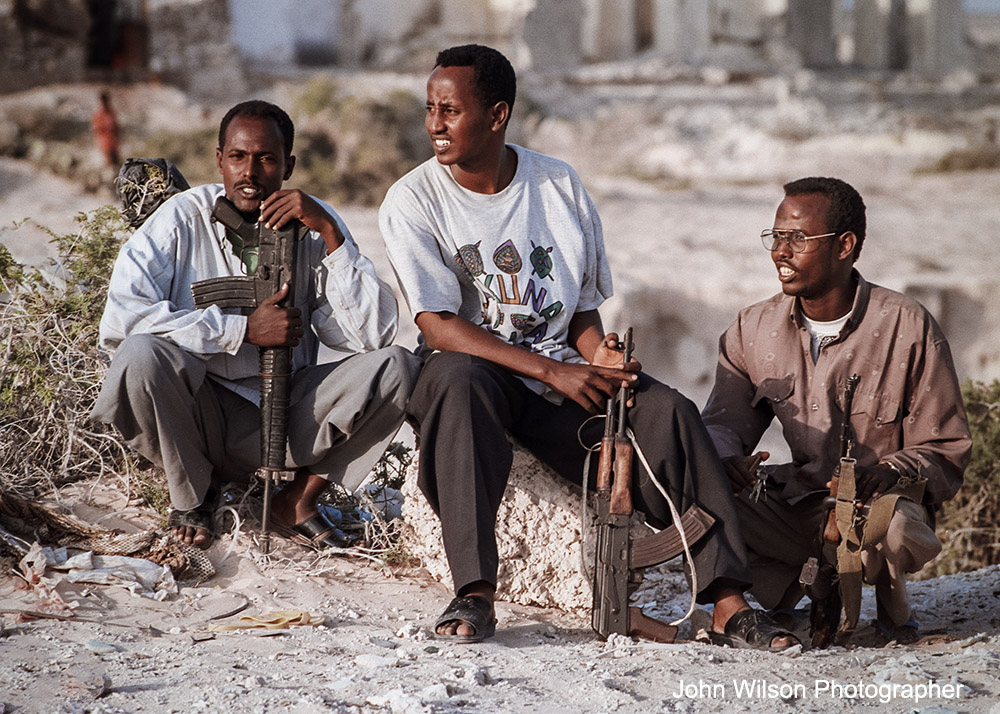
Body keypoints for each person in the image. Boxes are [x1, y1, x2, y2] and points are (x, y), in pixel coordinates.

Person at [378, 44, 796, 649]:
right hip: (481, 376)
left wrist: (600, 355)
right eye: (430, 109)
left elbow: (579, 310)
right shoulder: (413, 200)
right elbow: (438, 326)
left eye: (450, 110)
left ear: (497, 116)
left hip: (561, 374)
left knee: (669, 413)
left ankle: (728, 599)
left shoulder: (557, 184)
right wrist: (551, 372)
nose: (433, 124)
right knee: (454, 380)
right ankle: (474, 592)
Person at [92, 100, 420, 549]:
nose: (250, 172)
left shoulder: (314, 221)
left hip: (287, 411)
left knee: (399, 368)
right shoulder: (181, 219)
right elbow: (121, 321)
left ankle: (296, 502)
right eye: (238, 157)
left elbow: (371, 336)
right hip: (197, 415)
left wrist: (329, 234)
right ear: (219, 160)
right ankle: (194, 497)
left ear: (289, 165)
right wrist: (241, 332)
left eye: (267, 159)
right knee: (140, 355)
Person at [701, 177, 971, 644]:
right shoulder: (751, 327)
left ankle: (885, 610)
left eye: (797, 239)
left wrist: (890, 472)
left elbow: (945, 448)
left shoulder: (907, 326)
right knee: (697, 488)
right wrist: (728, 463)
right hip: (798, 506)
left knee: (899, 525)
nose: (780, 252)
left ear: (845, 245)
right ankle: (783, 592)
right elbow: (722, 424)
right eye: (775, 237)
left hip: (874, 513)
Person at [92, 91, 121, 168]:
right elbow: (96, 130)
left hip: (114, 145)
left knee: (116, 167)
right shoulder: (98, 115)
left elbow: (117, 128)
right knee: (107, 168)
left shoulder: (112, 113)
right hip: (104, 145)